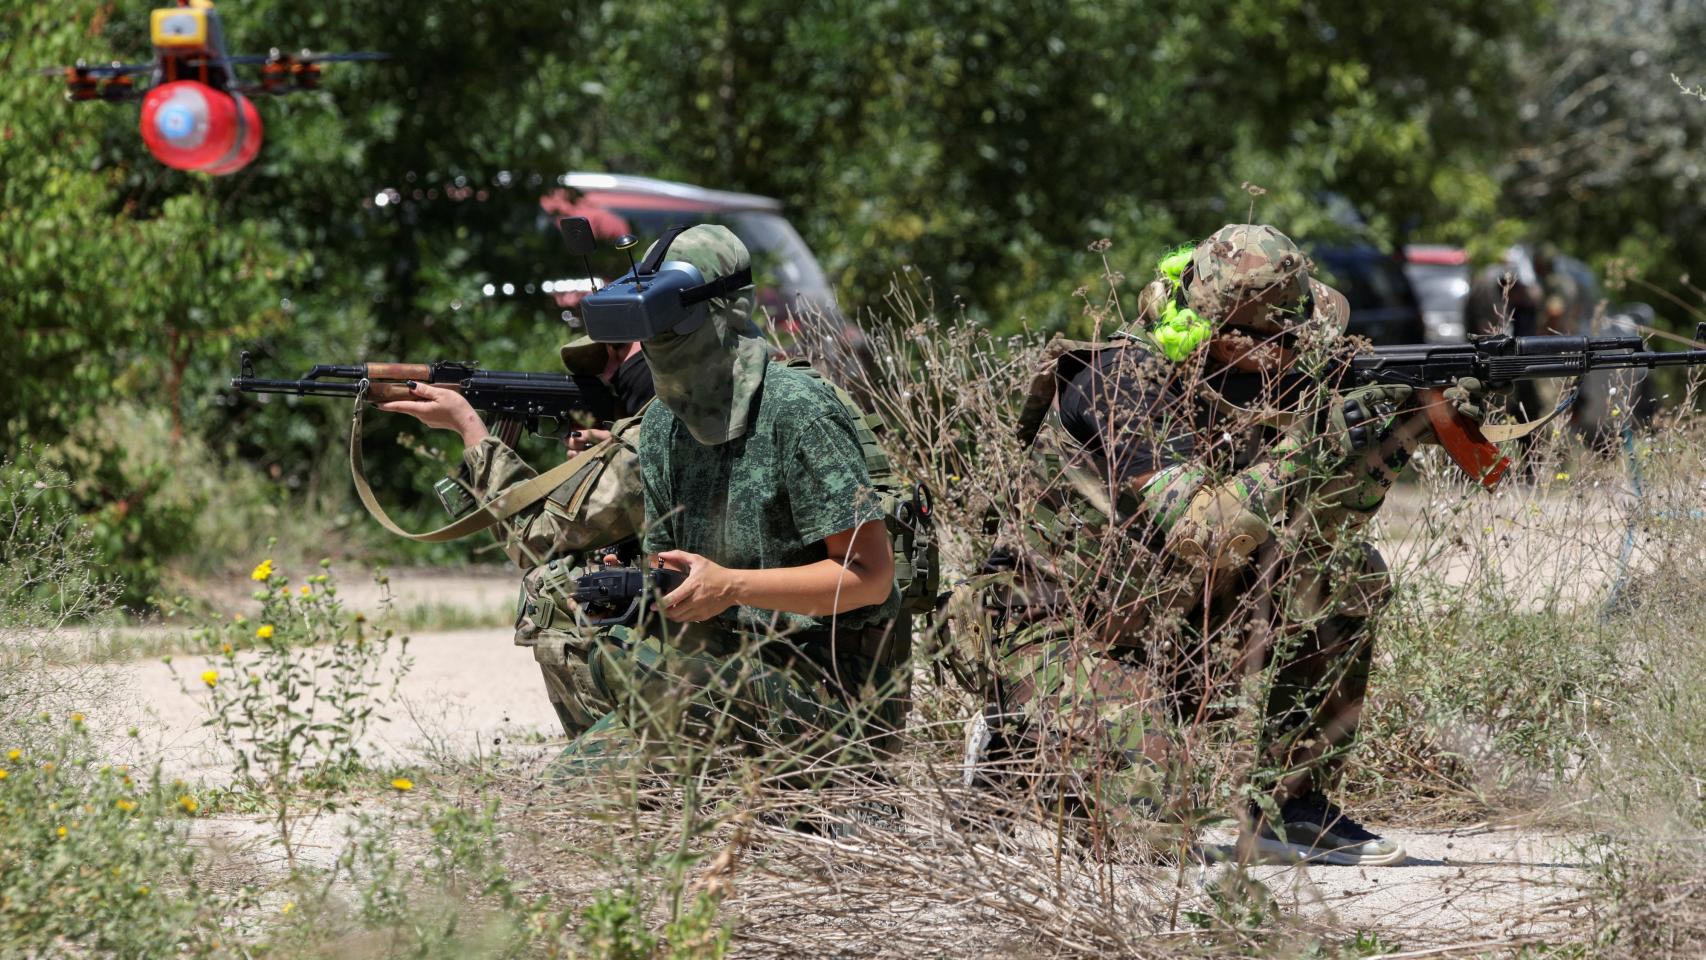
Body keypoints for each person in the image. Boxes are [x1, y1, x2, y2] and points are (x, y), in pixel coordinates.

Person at [958, 224, 1493, 865]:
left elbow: (1318, 535)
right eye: (1282, 336)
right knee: (1155, 834)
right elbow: (1205, 532)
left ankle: (1291, 805)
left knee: (1348, 573)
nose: (1301, 346)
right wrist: (1312, 445)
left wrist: (1387, 441)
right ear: (1224, 336)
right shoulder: (1124, 380)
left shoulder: (1271, 381)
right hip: (1048, 627)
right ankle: (1017, 749)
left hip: (1172, 623)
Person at [581, 223, 910, 781]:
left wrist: (731, 586)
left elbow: (872, 578)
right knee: (578, 787)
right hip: (719, 667)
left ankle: (852, 795)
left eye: (673, 323)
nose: (662, 343)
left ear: (728, 310)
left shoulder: (798, 412)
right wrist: (639, 589)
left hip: (831, 688)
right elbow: (677, 576)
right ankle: (714, 788)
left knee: (642, 680)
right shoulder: (663, 425)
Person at [374, 335, 656, 739]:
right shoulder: (672, 421)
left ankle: (614, 757)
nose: (608, 370)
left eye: (618, 349)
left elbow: (533, 541)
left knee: (553, 584)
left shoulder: (659, 433)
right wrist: (600, 457)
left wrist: (470, 427)